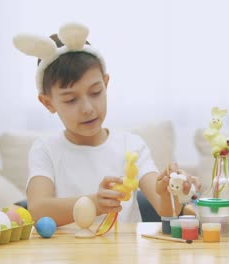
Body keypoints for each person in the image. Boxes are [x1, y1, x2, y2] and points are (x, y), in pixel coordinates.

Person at [13, 22, 200, 226]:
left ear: (106, 83)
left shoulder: (132, 146)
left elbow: (166, 209)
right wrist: (94, 203)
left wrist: (171, 190)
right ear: (48, 102)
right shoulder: (46, 150)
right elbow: (38, 209)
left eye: (95, 92)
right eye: (70, 100)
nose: (87, 108)